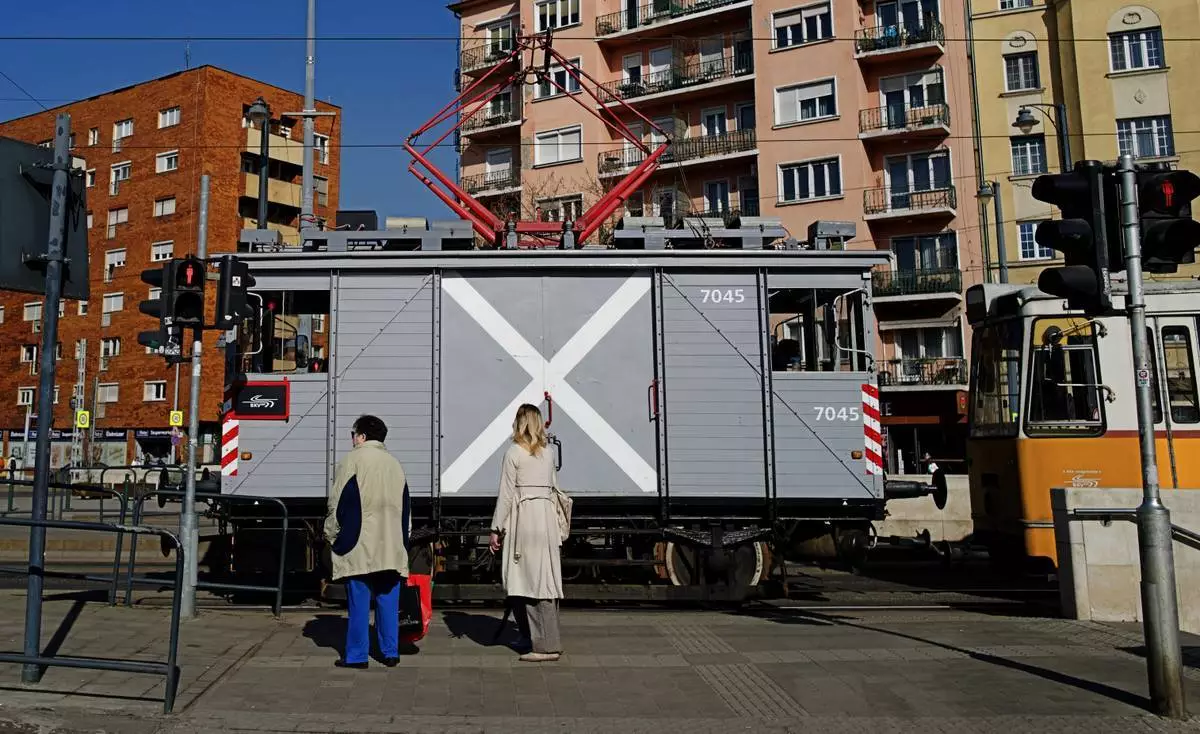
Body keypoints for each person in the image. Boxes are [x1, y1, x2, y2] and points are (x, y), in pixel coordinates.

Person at [324, 415, 411, 669]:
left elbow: (336, 503)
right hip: (391, 543)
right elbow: (406, 507)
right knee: (388, 599)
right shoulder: (395, 464)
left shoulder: (351, 460)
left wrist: (331, 535)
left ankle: (357, 656)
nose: (352, 439)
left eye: (353, 434)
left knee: (359, 601)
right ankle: (390, 652)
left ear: (361, 436)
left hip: (359, 542)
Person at [489, 404, 565, 663]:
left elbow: (506, 494)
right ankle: (531, 636)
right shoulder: (548, 453)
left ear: (520, 423)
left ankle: (545, 646)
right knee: (542, 580)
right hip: (545, 519)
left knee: (525, 580)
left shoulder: (513, 453)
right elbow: (554, 488)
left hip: (523, 521)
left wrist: (496, 529)